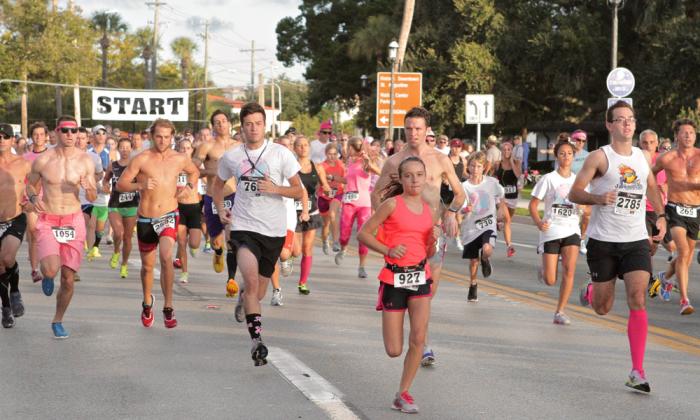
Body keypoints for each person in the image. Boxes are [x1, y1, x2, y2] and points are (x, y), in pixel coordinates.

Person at [571, 100, 666, 393]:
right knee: (603, 307)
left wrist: (661, 216)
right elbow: (576, 191)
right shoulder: (600, 158)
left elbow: (651, 185)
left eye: (631, 119)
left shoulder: (641, 156)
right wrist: (598, 199)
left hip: (636, 239)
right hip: (603, 241)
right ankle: (591, 290)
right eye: (620, 119)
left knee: (638, 298)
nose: (627, 124)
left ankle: (637, 370)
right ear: (610, 125)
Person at [372, 106, 465, 367]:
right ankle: (419, 340)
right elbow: (377, 194)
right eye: (409, 128)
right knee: (413, 289)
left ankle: (420, 337)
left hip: (432, 234)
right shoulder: (394, 162)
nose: (413, 133)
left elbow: (459, 193)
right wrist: (385, 229)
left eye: (418, 128)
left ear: (427, 131)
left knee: (428, 289)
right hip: (404, 238)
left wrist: (451, 214)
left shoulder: (440, 159)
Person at [212, 102, 303, 366]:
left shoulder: (280, 154)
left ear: (265, 126)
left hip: (273, 231)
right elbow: (217, 186)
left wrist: (276, 189)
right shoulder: (231, 156)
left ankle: (245, 299)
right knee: (252, 282)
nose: (253, 128)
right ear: (242, 126)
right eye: (248, 124)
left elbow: (299, 191)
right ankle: (257, 341)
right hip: (243, 227)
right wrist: (220, 210)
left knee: (259, 292)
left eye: (258, 123)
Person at [358, 157, 436, 414]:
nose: (415, 180)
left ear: (425, 177)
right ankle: (401, 392)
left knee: (419, 338)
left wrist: (434, 242)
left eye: (419, 175)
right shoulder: (391, 205)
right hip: (394, 278)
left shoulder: (428, 210)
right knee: (394, 350)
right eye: (409, 175)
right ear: (401, 179)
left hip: (420, 277)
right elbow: (364, 234)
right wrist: (388, 249)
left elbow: (427, 250)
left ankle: (403, 393)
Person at [117, 119, 199, 329]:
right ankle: (147, 302)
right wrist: (140, 184)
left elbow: (194, 171)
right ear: (152, 136)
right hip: (146, 218)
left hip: (169, 216)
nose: (163, 141)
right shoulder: (141, 159)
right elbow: (121, 184)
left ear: (173, 137)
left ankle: (168, 307)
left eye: (167, 137)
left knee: (166, 257)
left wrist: (189, 186)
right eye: (159, 136)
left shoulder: (179, 158)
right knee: (147, 267)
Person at [25, 116, 98, 338]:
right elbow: (30, 185)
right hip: (48, 218)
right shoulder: (44, 160)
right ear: (56, 132)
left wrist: (89, 188)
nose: (69, 135)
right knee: (50, 269)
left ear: (78, 133)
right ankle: (47, 275)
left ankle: (58, 320)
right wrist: (32, 197)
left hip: (73, 220)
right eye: (65, 130)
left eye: (73, 131)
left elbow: (93, 195)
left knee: (67, 278)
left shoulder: (86, 161)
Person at [648, 119, 698, 314]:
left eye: (692, 133)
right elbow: (649, 176)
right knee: (683, 251)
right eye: (684, 132)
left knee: (686, 258)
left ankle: (664, 277)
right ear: (677, 135)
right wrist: (657, 198)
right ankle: (684, 300)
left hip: (696, 210)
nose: (688, 136)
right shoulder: (667, 158)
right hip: (675, 209)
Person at [529, 141, 580, 325]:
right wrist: (538, 222)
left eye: (569, 153)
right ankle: (543, 270)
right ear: (556, 156)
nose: (566, 157)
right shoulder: (549, 179)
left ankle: (560, 311)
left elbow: (586, 205)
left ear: (574, 156)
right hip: (551, 230)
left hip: (572, 228)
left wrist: (584, 208)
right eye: (562, 153)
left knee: (569, 270)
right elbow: (533, 204)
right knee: (550, 280)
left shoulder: (578, 180)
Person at [193, 110, 240, 286]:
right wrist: (212, 171)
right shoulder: (207, 146)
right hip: (214, 197)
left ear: (229, 123)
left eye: (224, 121)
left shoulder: (239, 146)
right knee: (216, 240)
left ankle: (231, 280)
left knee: (231, 237)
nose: (221, 124)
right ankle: (217, 251)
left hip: (234, 195)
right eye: (217, 122)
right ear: (213, 126)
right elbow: (193, 169)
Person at [459, 152, 505, 302]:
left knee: (487, 249)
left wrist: (500, 215)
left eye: (479, 166)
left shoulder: (491, 182)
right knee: (473, 261)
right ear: (468, 167)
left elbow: (501, 198)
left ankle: (485, 259)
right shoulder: (464, 186)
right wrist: (465, 209)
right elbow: (459, 207)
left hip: (488, 223)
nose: (475, 169)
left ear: (484, 167)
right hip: (471, 227)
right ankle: (473, 284)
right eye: (472, 166)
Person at [334, 137, 381, 278]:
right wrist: (336, 178)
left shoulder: (366, 162)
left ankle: (362, 266)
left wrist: (367, 159)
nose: (348, 149)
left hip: (364, 203)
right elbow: (349, 180)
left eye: (350, 147)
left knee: (363, 235)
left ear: (354, 148)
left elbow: (377, 171)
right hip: (349, 201)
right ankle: (343, 248)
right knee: (344, 232)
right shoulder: (349, 162)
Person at [0, 124, 31, 328]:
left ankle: (16, 290)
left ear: (13, 140)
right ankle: (6, 308)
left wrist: (32, 199)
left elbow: (33, 187)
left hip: (15, 218)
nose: (1, 139)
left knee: (7, 258)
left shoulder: (22, 164)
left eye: (5, 136)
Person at [290, 136, 330, 294]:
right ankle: (289, 256)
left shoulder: (318, 167)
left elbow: (325, 185)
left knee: (307, 248)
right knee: (296, 250)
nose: (303, 148)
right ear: (295, 149)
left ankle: (303, 282)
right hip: (294, 211)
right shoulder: (291, 167)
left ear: (309, 148)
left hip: (312, 210)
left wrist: (327, 188)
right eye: (299, 146)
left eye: (305, 145)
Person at [103, 138, 139, 279]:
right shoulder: (113, 165)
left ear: (131, 149)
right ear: (118, 149)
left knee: (128, 238)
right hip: (115, 204)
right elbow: (106, 179)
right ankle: (117, 251)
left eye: (127, 147)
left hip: (131, 205)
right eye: (122, 147)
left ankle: (124, 264)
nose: (124, 150)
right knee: (118, 233)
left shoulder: (136, 166)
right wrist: (105, 185)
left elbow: (142, 182)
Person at [173, 139, 203, 284]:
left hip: (194, 207)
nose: (185, 150)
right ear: (178, 150)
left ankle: (194, 247)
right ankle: (184, 272)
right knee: (181, 241)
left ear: (192, 150)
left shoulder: (196, 166)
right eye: (182, 148)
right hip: (179, 207)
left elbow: (207, 175)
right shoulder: (174, 166)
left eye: (187, 148)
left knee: (195, 243)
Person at [24, 122, 50, 283]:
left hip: (51, 201)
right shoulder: (25, 158)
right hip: (32, 200)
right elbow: (23, 181)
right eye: (35, 134)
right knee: (33, 232)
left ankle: (48, 267)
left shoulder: (53, 154)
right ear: (31, 137)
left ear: (46, 136)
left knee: (47, 236)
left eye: (41, 134)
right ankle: (34, 270)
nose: (38, 137)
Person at [86, 125, 112, 262]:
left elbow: (115, 171)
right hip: (90, 189)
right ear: (93, 135)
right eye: (98, 133)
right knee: (90, 222)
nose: (101, 135)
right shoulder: (87, 151)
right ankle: (89, 247)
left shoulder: (111, 152)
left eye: (104, 133)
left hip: (105, 190)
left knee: (100, 226)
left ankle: (95, 246)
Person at [493, 140, 520, 257]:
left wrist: (512, 162)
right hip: (501, 196)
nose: (506, 151)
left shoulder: (517, 162)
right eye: (504, 149)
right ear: (501, 151)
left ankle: (497, 222)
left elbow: (518, 175)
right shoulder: (497, 164)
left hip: (513, 196)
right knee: (507, 220)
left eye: (509, 149)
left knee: (507, 221)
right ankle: (509, 246)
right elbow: (493, 178)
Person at [318, 143, 345, 254]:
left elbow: (345, 179)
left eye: (335, 154)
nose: (332, 156)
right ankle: (325, 240)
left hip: (337, 194)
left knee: (333, 214)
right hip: (324, 196)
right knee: (326, 224)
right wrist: (326, 187)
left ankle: (335, 242)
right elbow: (322, 180)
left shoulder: (341, 165)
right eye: (330, 154)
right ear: (325, 154)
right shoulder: (321, 166)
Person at [569, 129, 592, 254]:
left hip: (585, 189)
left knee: (586, 216)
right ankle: (566, 246)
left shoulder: (588, 155)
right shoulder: (567, 153)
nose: (581, 143)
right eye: (578, 140)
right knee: (573, 217)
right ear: (573, 139)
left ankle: (582, 239)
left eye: (583, 141)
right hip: (569, 189)